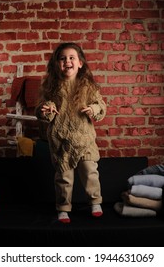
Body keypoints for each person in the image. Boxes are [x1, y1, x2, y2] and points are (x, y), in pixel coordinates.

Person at [35, 42, 106, 223]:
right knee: (64, 177)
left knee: (90, 171)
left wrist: (93, 108)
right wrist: (46, 110)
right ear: (56, 63)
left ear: (80, 63)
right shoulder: (52, 86)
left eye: (72, 58)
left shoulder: (88, 86)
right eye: (62, 58)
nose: (67, 61)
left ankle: (95, 201)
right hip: (61, 140)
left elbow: (101, 105)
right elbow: (42, 109)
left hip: (84, 138)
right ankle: (63, 207)